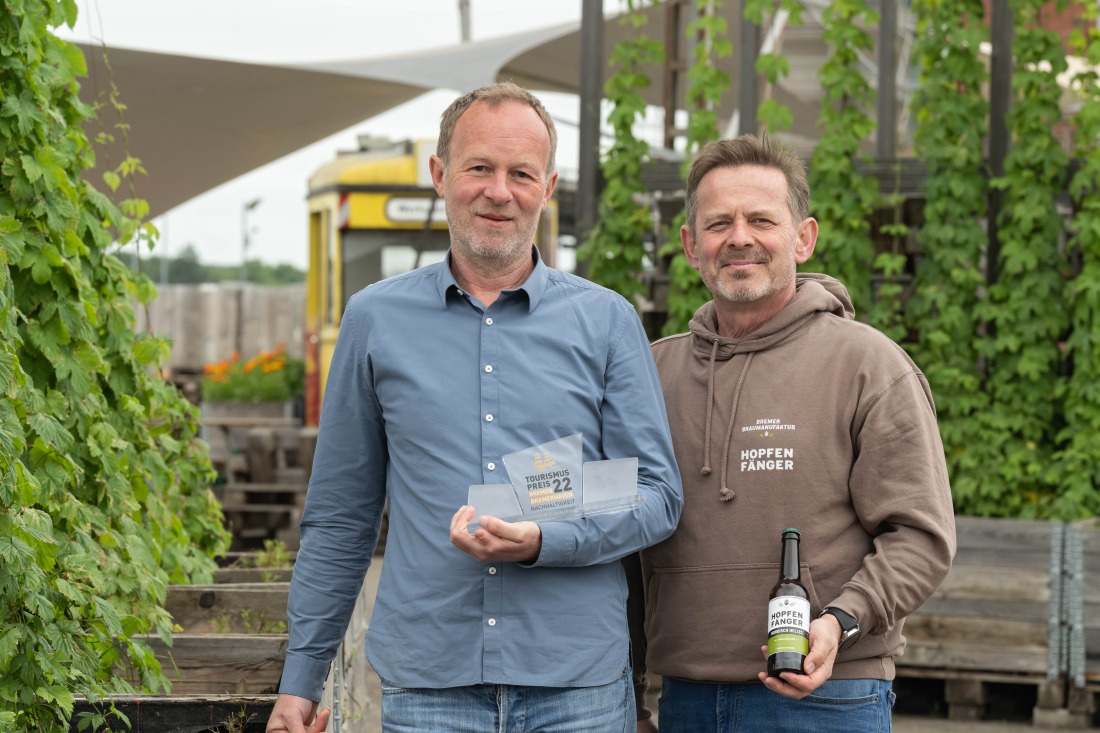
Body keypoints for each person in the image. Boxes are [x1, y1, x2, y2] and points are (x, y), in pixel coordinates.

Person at [266, 81, 684, 733]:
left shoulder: (606, 321)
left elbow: (655, 492)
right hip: (429, 687)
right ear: (441, 174)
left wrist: (546, 535)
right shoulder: (375, 319)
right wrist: (301, 679)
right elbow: (341, 515)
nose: (499, 191)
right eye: (480, 168)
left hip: (577, 687)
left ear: (548, 188)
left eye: (521, 173)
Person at [630, 134, 956, 733]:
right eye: (718, 222)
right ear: (690, 244)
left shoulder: (869, 366)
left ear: (803, 237)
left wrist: (840, 621)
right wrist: (631, 700)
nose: (739, 238)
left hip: (827, 700)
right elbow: (623, 550)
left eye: (761, 219)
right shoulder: (653, 373)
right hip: (685, 702)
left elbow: (920, 537)